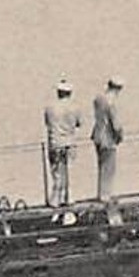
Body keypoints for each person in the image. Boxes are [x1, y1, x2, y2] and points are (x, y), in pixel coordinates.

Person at [43, 78, 83, 206]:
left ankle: (55, 199)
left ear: (58, 92)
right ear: (70, 93)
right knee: (69, 170)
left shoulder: (50, 108)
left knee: (56, 172)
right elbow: (79, 123)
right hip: (70, 141)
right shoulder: (75, 107)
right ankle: (69, 196)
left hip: (55, 142)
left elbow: (47, 123)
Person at [91, 77, 125, 210]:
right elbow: (115, 123)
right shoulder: (112, 102)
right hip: (108, 137)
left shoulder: (99, 98)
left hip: (97, 135)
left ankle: (101, 193)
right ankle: (106, 195)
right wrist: (120, 135)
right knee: (109, 167)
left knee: (101, 165)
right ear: (118, 88)